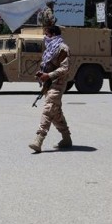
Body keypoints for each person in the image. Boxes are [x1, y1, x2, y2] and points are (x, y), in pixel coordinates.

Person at [29, 25, 72, 153]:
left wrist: (49, 75)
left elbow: (65, 68)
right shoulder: (50, 49)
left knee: (48, 109)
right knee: (55, 112)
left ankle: (39, 139)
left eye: (47, 34)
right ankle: (66, 138)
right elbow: (47, 65)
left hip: (58, 83)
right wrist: (42, 73)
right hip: (49, 84)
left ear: (53, 34)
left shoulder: (63, 48)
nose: (45, 37)